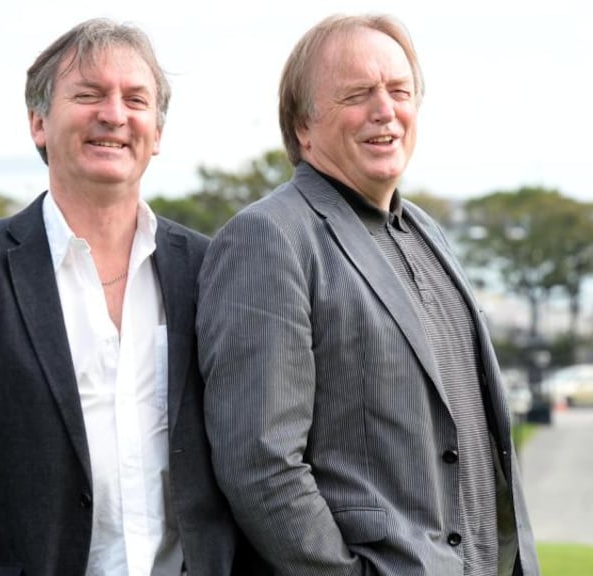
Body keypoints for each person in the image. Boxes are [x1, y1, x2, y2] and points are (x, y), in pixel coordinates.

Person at [0, 18, 261, 576]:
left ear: (158, 131)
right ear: (38, 123)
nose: (114, 115)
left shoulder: (209, 270)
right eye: (89, 94)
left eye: (135, 99)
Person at [197, 13, 540, 576]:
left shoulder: (427, 231)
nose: (385, 110)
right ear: (303, 127)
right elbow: (259, 464)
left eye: (399, 91)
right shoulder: (270, 238)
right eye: (357, 94)